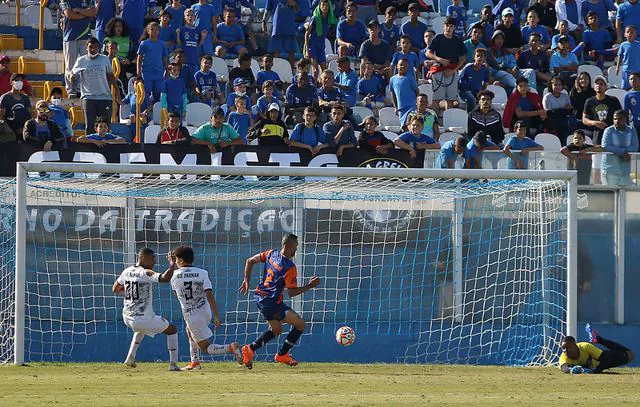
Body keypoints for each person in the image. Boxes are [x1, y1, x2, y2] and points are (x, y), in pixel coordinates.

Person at [240, 233, 321, 369]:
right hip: (272, 302)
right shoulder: (289, 267)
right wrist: (310, 286)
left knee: (277, 330)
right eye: (295, 247)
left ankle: (250, 349)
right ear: (288, 246)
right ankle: (282, 354)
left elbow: (250, 261)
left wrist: (246, 280)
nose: (296, 251)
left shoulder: (271, 253)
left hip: (260, 298)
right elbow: (292, 292)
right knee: (300, 324)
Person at [169, 245, 242, 371]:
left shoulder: (174, 275)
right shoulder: (203, 273)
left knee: (205, 347)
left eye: (176, 260)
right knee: (189, 331)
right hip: (205, 312)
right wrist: (217, 316)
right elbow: (209, 295)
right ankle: (195, 362)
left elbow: (176, 294)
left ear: (181, 260)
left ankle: (230, 347)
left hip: (192, 315)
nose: (175, 262)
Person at [112, 248, 180, 371]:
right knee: (172, 330)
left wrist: (130, 292)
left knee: (140, 329)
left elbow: (115, 289)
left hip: (127, 318)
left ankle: (130, 357)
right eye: (152, 259)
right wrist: (171, 264)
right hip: (143, 320)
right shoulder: (145, 273)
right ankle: (173, 364)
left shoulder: (126, 271)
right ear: (142, 258)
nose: (154, 262)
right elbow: (165, 278)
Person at [70, 37, 119, 133]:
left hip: (105, 97)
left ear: (99, 48)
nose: (93, 50)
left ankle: (106, 146)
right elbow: (72, 72)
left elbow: (111, 77)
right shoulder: (81, 60)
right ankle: (90, 146)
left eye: (96, 47)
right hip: (88, 97)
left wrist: (118, 95)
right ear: (86, 48)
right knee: (90, 126)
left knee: (105, 126)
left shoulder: (104, 59)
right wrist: (72, 77)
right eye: (90, 47)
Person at [426, 17, 467, 112]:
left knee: (451, 100)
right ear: (444, 27)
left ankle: (449, 121)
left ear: (454, 28)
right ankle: (434, 122)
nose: (448, 28)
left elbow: (463, 57)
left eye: (451, 26)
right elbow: (428, 53)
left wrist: (454, 70)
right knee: (436, 99)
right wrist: (439, 59)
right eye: (447, 26)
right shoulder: (438, 38)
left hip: (452, 72)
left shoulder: (457, 40)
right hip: (439, 70)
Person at [559, 325, 635, 374]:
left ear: (575, 346)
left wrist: (594, 370)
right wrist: (572, 370)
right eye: (563, 348)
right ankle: (597, 339)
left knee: (630, 355)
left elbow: (605, 358)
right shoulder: (564, 356)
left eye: (567, 347)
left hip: (602, 359)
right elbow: (564, 368)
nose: (565, 350)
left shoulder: (585, 347)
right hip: (596, 364)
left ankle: (599, 339)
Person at [61, 0, 96, 98]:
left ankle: (85, 90)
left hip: (86, 36)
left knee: (87, 64)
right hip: (70, 37)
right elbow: (70, 14)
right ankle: (71, 90)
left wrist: (78, 10)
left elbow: (93, 12)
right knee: (70, 65)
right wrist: (85, 14)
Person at [601, 109, 638, 186]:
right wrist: (623, 152)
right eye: (615, 119)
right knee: (610, 196)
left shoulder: (631, 130)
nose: (617, 121)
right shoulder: (608, 131)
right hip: (610, 170)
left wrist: (620, 151)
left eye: (620, 118)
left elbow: (635, 147)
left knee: (626, 196)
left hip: (625, 171)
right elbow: (605, 145)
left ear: (625, 119)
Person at [305, 0, 338, 82]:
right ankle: (314, 89)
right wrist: (307, 50)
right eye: (323, 5)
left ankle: (323, 88)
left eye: (327, 6)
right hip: (313, 46)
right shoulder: (315, 18)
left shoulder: (329, 19)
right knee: (316, 71)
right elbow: (307, 34)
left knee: (324, 71)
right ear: (319, 6)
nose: (324, 7)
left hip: (321, 47)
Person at [582, 75, 621, 143]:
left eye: (601, 84)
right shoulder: (589, 101)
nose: (598, 86)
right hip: (597, 132)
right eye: (597, 84)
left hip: (613, 131)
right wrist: (594, 123)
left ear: (606, 87)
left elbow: (621, 115)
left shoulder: (614, 100)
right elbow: (584, 119)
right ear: (594, 87)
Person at [137, 22, 169, 103]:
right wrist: (139, 72)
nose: (154, 31)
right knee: (146, 91)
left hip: (159, 72)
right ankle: (147, 109)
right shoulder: (144, 43)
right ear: (148, 31)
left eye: (156, 30)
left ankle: (156, 109)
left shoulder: (162, 44)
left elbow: (165, 58)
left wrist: (167, 70)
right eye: (152, 29)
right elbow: (139, 58)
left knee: (158, 91)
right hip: (147, 71)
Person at [267, 0, 298, 67]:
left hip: (289, 26)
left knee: (291, 51)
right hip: (277, 27)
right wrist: (264, 21)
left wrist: (294, 4)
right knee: (276, 50)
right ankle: (275, 69)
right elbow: (268, 9)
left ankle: (291, 71)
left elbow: (297, 10)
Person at [542, 76, 573, 144]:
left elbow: (569, 111)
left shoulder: (565, 96)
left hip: (564, 119)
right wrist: (563, 110)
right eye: (555, 85)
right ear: (551, 85)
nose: (558, 87)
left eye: (560, 85)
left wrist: (555, 110)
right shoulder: (547, 97)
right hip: (552, 121)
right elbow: (549, 113)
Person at [389, 59, 418, 125]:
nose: (403, 67)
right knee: (404, 126)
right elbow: (392, 93)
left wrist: (416, 104)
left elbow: (416, 91)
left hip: (411, 106)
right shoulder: (392, 79)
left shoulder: (410, 78)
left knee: (411, 123)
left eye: (405, 66)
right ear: (397, 66)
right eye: (401, 65)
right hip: (401, 108)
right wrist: (395, 107)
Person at [616, 25, 640, 90]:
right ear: (624, 34)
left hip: (637, 71)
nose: (629, 33)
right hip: (626, 70)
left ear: (635, 34)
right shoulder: (623, 45)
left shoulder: (638, 44)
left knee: (637, 87)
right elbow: (620, 56)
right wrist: (617, 67)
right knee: (625, 87)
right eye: (627, 32)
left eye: (632, 32)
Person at [623, 71, 640, 137]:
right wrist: (627, 126)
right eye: (631, 79)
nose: (632, 81)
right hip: (635, 124)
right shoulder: (628, 95)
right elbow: (625, 112)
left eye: (634, 79)